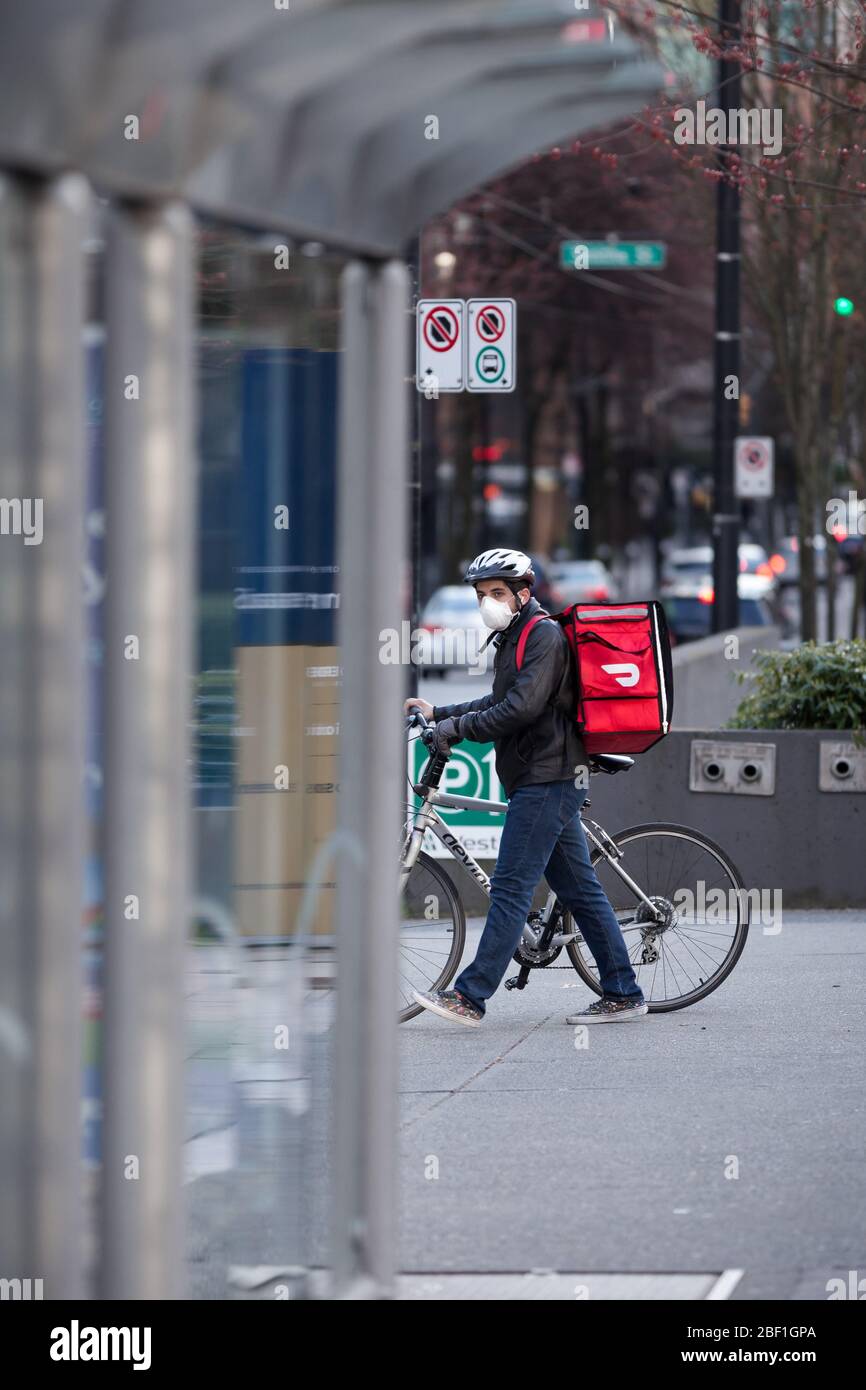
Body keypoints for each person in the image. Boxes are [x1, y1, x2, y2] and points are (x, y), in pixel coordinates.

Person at [404, 547, 647, 1028]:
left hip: (548, 779)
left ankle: (471, 997)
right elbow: (499, 699)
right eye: (481, 595)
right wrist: (441, 714)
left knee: (512, 890)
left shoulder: (543, 636)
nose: (487, 603)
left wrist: (456, 731)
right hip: (540, 777)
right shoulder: (512, 637)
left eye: (497, 593)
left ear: (523, 593)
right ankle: (623, 991)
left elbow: (520, 710)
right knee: (582, 893)